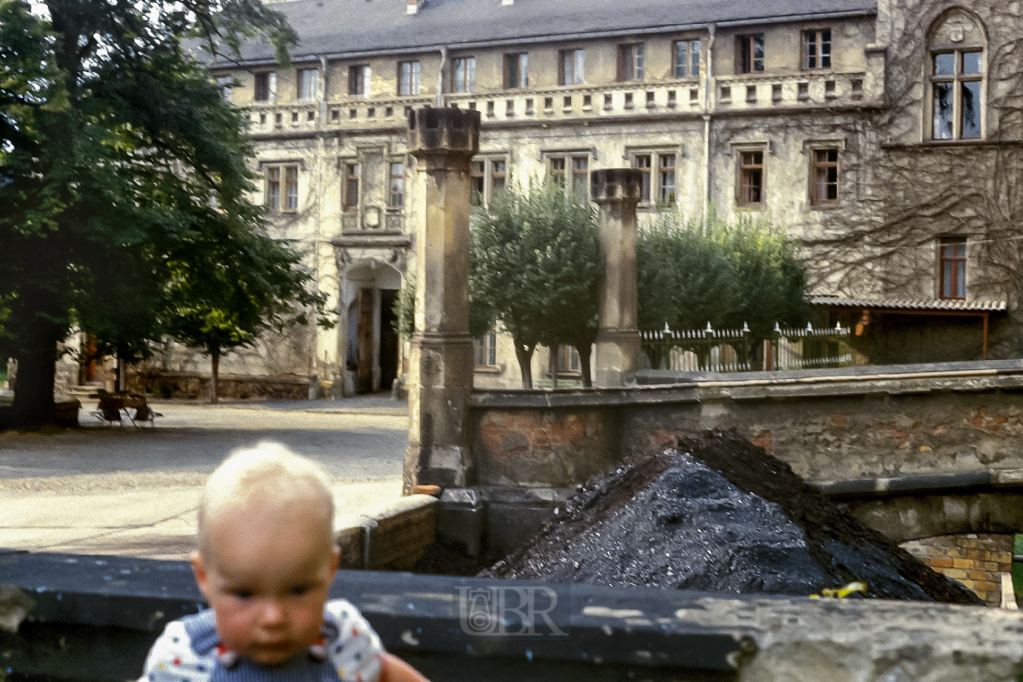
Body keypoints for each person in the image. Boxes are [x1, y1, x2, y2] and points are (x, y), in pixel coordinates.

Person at [141, 443, 429, 682]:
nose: (273, 618)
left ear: (329, 570)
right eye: (244, 594)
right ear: (204, 576)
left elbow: (386, 672)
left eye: (298, 591)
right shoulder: (182, 660)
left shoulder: (344, 642)